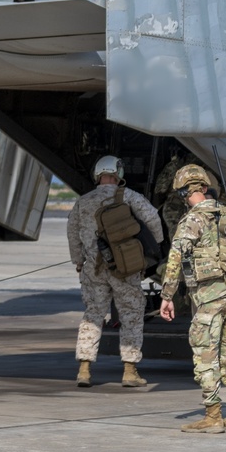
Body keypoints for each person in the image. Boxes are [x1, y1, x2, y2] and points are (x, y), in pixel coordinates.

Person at [159, 164, 226, 433]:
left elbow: (175, 258)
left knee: (205, 353)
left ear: (185, 192)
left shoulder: (192, 220)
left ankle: (213, 416)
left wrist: (167, 296)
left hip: (210, 297)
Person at [67, 155, 163, 389]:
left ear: (97, 175)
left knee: (93, 315)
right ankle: (130, 372)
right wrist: (154, 249)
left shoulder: (84, 202)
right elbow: (153, 219)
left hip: (93, 269)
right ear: (118, 173)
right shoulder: (130, 197)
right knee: (131, 313)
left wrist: (78, 260)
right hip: (124, 267)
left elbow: (72, 233)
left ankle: (84, 370)